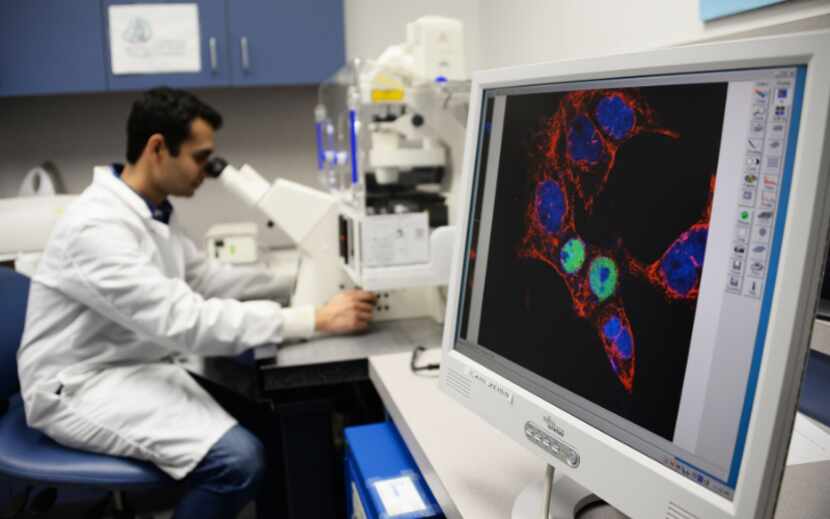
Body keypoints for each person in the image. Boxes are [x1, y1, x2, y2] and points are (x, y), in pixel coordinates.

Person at [16, 87, 377, 518]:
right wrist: (313, 318)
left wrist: (298, 275)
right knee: (238, 462)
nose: (207, 171)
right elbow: (183, 320)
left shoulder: (151, 211)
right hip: (79, 384)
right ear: (157, 148)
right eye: (200, 157)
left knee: (272, 424)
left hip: (132, 365)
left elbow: (205, 279)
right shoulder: (96, 228)